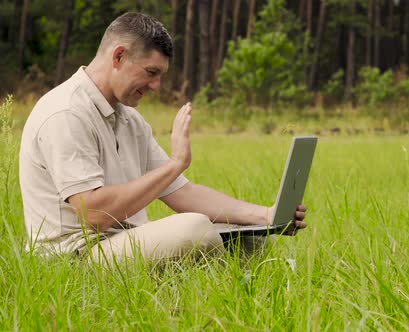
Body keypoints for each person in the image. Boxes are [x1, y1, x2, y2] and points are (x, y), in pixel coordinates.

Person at [18, 12, 307, 263]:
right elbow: (95, 214)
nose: (156, 86)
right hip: (75, 256)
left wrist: (267, 216)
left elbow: (181, 193)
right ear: (118, 56)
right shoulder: (66, 113)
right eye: (151, 72)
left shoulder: (130, 119)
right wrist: (175, 164)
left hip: (121, 244)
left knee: (248, 237)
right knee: (195, 229)